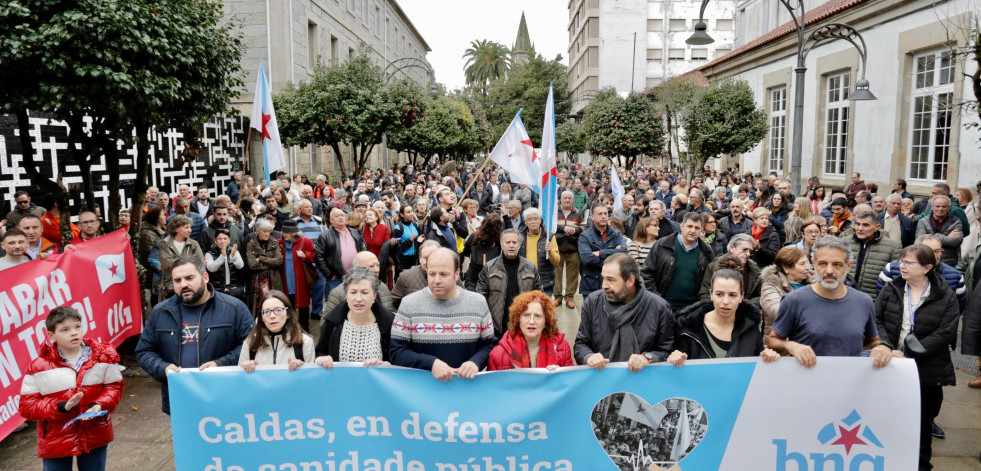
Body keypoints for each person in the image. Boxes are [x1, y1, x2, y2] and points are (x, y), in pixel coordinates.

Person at [873, 244, 960, 471]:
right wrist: (887, 346)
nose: (901, 266)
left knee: (921, 424)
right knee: (887, 419)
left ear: (927, 267)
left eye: (909, 263)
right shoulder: (891, 288)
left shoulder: (945, 295)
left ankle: (921, 465)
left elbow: (946, 332)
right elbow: (876, 320)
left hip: (927, 371)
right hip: (889, 364)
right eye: (901, 261)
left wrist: (911, 352)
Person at [136, 256, 254, 414]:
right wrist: (163, 368)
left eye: (189, 278)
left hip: (224, 399)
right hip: (180, 401)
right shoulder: (161, 312)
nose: (183, 284)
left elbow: (252, 346)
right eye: (177, 280)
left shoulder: (234, 308)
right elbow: (144, 351)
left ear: (205, 277)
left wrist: (221, 364)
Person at [19, 306, 123, 471]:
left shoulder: (102, 357)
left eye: (77, 327)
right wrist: (60, 406)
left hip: (95, 433)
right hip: (55, 438)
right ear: (51, 336)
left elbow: (114, 386)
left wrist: (99, 404)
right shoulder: (38, 367)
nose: (74, 333)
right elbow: (27, 406)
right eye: (65, 329)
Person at [768, 236, 881, 366]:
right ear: (813, 263)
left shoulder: (864, 302)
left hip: (851, 382)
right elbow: (773, 341)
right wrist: (790, 345)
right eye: (822, 264)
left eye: (837, 264)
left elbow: (872, 341)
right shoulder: (793, 301)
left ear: (848, 266)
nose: (829, 271)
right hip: (806, 381)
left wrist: (882, 348)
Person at [390, 248, 496, 380]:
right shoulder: (409, 304)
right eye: (432, 274)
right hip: (422, 391)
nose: (437, 280)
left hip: (466, 387)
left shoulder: (478, 302)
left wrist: (475, 362)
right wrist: (431, 364)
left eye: (443, 274)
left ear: (457, 274)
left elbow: (489, 344)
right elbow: (396, 352)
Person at [574, 253, 675, 372]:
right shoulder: (592, 303)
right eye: (603, 278)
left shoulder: (659, 308)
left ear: (630, 281)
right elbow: (580, 344)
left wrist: (647, 358)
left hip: (642, 380)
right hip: (602, 380)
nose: (604, 285)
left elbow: (667, 351)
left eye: (610, 280)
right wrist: (589, 356)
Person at [666, 269, 781, 365]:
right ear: (711, 294)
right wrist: (674, 359)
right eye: (719, 294)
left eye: (732, 295)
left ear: (741, 297)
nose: (725, 301)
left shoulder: (750, 327)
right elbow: (678, 369)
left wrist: (767, 357)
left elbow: (757, 366)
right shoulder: (687, 328)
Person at [315, 267, 395, 368]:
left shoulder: (390, 323)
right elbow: (320, 352)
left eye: (364, 292)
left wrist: (384, 364)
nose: (358, 299)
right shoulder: (332, 323)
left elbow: (396, 358)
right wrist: (322, 359)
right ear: (346, 295)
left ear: (374, 295)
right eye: (353, 292)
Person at [476, 229, 544, 338]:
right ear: (502, 244)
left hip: (523, 325)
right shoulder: (489, 267)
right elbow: (481, 295)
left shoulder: (530, 267)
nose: (511, 245)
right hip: (497, 327)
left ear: (519, 245)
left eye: (514, 242)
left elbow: (539, 294)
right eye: (508, 242)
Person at [642, 213, 714, 311]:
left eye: (697, 228)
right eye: (689, 226)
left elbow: (708, 283)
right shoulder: (662, 245)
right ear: (681, 226)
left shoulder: (706, 252)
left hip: (692, 309)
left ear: (702, 229)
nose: (693, 231)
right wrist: (657, 299)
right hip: (663, 306)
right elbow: (647, 273)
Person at [488, 290, 573, 370]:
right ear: (518, 319)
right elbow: (492, 385)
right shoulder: (498, 354)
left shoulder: (562, 348)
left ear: (546, 321)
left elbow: (570, 381)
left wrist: (560, 375)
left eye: (537, 316)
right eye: (526, 315)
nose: (531, 321)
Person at [239, 290, 315, 372]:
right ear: (261, 318)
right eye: (266, 312)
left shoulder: (305, 342)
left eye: (278, 310)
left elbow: (312, 380)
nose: (272, 316)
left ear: (288, 314)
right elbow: (240, 380)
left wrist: (302, 371)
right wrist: (246, 371)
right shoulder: (250, 343)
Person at [759, 246, 815, 340]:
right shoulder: (771, 285)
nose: (807, 268)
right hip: (781, 345)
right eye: (802, 264)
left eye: (807, 263)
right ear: (786, 267)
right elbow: (778, 311)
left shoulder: (815, 283)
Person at [846, 210, 901, 300]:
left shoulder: (893, 247)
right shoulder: (844, 242)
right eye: (857, 224)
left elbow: (896, 279)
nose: (860, 228)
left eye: (865, 225)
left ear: (877, 227)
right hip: (846, 297)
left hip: (875, 301)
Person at [578, 204, 627, 298]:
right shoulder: (585, 236)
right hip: (591, 284)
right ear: (592, 216)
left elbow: (624, 252)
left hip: (612, 283)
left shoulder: (616, 234)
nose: (603, 216)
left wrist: (601, 253)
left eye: (605, 213)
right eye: (600, 214)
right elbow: (587, 259)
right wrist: (613, 253)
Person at [316, 205, 367, 294]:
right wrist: (329, 274)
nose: (340, 218)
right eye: (337, 216)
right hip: (336, 278)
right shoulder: (325, 236)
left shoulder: (354, 232)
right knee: (336, 304)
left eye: (342, 215)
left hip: (355, 276)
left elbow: (361, 250)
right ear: (331, 220)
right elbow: (319, 256)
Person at [698, 234, 763, 304]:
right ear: (732, 248)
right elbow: (704, 294)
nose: (748, 254)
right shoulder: (713, 267)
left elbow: (761, 296)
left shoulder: (754, 270)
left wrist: (744, 306)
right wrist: (722, 304)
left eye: (750, 251)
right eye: (744, 250)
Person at [324, 251, 394, 313]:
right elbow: (326, 324)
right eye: (371, 266)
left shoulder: (383, 287)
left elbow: (388, 316)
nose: (377, 270)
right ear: (357, 269)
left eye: (378, 265)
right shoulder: (337, 293)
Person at [278, 220, 316, 332]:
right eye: (283, 232)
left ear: (294, 233)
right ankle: (289, 330)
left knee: (303, 307)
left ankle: (305, 330)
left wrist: (305, 255)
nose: (284, 234)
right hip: (285, 280)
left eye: (287, 232)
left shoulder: (305, 241)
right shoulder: (279, 243)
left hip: (300, 281)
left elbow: (314, 256)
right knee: (288, 306)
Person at [157, 215, 205, 303]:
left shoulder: (194, 244)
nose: (190, 230)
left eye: (190, 227)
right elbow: (166, 264)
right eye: (186, 227)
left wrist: (175, 260)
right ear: (176, 229)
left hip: (190, 287)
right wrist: (190, 260)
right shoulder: (164, 244)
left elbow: (201, 264)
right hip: (170, 287)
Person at [246, 218, 284, 311]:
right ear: (257, 231)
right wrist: (271, 263)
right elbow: (252, 264)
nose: (267, 234)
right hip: (260, 279)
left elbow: (279, 261)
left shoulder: (274, 243)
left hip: (275, 279)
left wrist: (262, 259)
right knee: (261, 305)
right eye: (264, 231)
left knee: (276, 303)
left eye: (269, 231)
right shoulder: (251, 244)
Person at [554, 191, 584, 309]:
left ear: (573, 200)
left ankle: (569, 297)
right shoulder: (554, 212)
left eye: (569, 198)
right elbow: (548, 226)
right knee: (557, 274)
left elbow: (583, 227)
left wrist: (575, 230)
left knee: (572, 275)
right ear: (560, 199)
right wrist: (563, 228)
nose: (567, 200)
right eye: (565, 198)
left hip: (573, 248)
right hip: (557, 248)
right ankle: (557, 297)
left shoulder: (577, 213)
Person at [915, 196, 963, 266]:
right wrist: (946, 238)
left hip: (949, 262)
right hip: (927, 260)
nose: (940, 209)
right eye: (937, 206)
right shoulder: (923, 221)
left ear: (948, 208)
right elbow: (919, 241)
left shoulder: (956, 221)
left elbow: (956, 241)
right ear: (932, 207)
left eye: (944, 206)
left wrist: (931, 236)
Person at [205, 228, 246, 302]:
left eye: (225, 238)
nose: (222, 241)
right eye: (219, 239)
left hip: (234, 289)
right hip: (217, 289)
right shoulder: (209, 254)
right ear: (215, 240)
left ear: (229, 240)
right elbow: (211, 268)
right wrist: (222, 257)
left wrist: (233, 257)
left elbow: (240, 266)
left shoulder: (234, 252)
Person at [520, 208, 554, 296]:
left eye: (536, 219)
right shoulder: (519, 237)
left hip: (544, 282)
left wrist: (550, 252)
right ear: (525, 222)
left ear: (540, 220)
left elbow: (556, 261)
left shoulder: (549, 236)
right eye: (529, 219)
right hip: (525, 281)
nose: (533, 222)